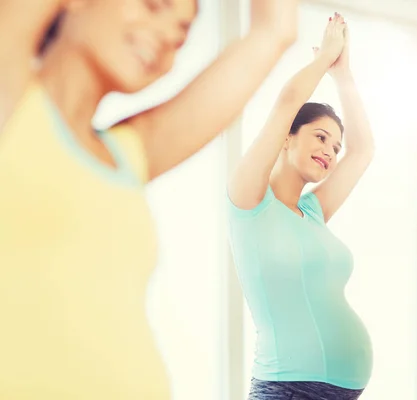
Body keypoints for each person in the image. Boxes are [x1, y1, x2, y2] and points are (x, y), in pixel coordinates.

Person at [0, 0, 298, 398]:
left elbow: (274, 31)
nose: (165, 37)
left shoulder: (129, 155)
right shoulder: (10, 99)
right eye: (154, 6)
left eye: (181, 34)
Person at [227, 13, 375, 400]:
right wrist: (323, 60)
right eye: (321, 137)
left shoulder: (312, 212)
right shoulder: (250, 199)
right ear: (287, 137)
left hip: (339, 391)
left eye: (334, 147)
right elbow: (286, 103)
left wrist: (344, 76)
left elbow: (363, 151)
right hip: (290, 389)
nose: (330, 151)